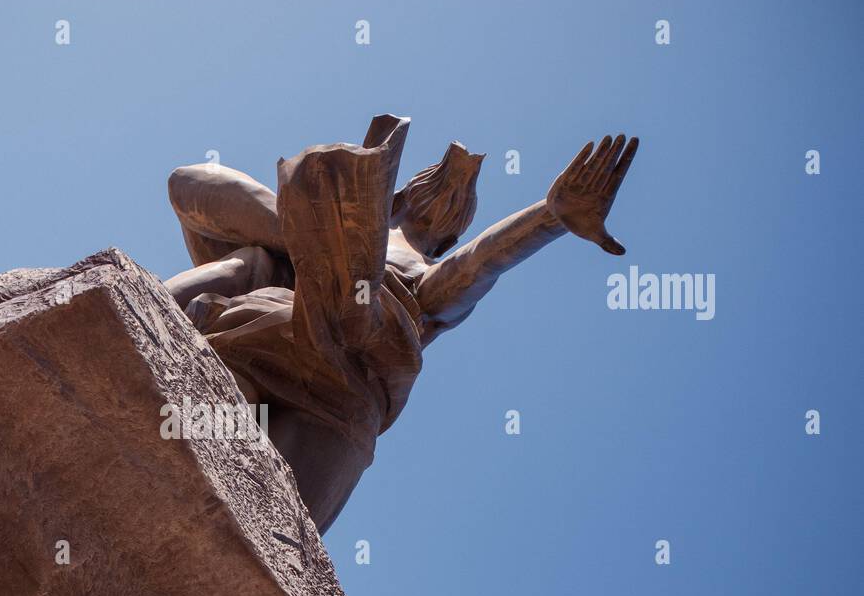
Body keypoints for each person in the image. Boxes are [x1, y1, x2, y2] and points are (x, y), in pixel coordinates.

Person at [163, 115, 639, 533]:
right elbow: (190, 184)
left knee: (265, 538)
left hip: (346, 401)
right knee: (190, 437)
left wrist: (550, 217)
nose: (440, 223)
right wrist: (308, 238)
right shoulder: (266, 262)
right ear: (398, 199)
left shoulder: (422, 279)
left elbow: (473, 268)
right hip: (269, 336)